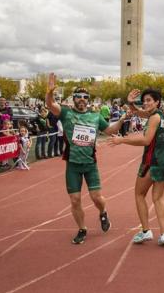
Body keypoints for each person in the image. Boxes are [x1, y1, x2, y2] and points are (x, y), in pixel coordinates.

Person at [46, 73, 128, 245]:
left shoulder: (96, 116)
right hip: (73, 165)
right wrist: (50, 92)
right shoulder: (66, 113)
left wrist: (121, 120)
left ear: (88, 100)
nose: (82, 99)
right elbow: (51, 105)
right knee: (75, 199)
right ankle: (82, 229)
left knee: (96, 197)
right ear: (74, 99)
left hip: (90, 164)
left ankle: (103, 212)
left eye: (85, 97)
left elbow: (110, 131)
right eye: (78, 97)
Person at [109, 89, 164, 245]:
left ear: (157, 102)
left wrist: (122, 140)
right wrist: (131, 103)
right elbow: (139, 113)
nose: (145, 103)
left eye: (148, 100)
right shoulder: (161, 116)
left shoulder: (154, 118)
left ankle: (146, 231)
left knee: (139, 194)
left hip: (151, 162)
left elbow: (146, 140)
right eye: (144, 100)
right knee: (158, 198)